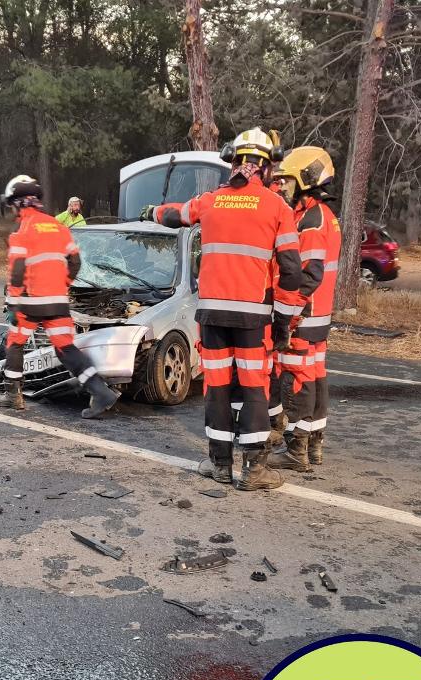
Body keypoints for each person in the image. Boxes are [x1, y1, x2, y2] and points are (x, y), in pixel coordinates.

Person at [140, 128, 303, 491]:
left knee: (217, 386)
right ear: (267, 167)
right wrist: (284, 322)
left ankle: (219, 465)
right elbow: (291, 271)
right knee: (253, 387)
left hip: (211, 317)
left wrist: (151, 211)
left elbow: (175, 214)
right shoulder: (278, 208)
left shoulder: (211, 200)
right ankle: (254, 471)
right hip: (252, 318)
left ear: (234, 162)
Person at [0, 175, 120, 418]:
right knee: (65, 347)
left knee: (15, 342)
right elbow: (75, 262)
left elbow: (18, 271)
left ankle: (13, 395)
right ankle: (100, 391)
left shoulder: (23, 230)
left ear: (20, 203)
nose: (10, 209)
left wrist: (13, 303)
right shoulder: (59, 227)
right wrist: (60, 285)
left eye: (11, 204)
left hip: (31, 302)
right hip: (58, 301)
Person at [267, 146, 341, 471]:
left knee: (296, 377)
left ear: (305, 181)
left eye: (288, 181)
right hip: (319, 316)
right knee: (316, 375)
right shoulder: (323, 216)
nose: (283, 186)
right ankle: (314, 446)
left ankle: (296, 449)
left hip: (304, 314)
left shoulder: (311, 220)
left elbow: (308, 275)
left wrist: (289, 314)